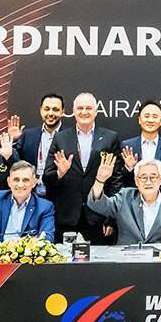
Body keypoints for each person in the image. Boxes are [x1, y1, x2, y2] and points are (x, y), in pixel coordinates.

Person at [43, 92, 123, 242]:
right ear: (73, 111)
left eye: (88, 108)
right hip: (67, 217)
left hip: (99, 217)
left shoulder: (110, 138)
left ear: (96, 111)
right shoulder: (60, 138)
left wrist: (111, 218)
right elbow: (47, 178)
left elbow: (116, 181)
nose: (84, 112)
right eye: (80, 108)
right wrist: (59, 173)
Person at [88, 156, 161, 244]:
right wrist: (100, 181)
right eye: (143, 178)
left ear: (160, 179)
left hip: (159, 258)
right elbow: (98, 205)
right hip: (127, 257)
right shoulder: (124, 197)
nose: (148, 182)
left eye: (153, 177)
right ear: (136, 181)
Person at [0, 161, 56, 242]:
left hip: (26, 253)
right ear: (9, 182)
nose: (20, 185)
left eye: (25, 180)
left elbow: (47, 237)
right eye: (16, 180)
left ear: (34, 182)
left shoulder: (44, 207)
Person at [120, 100, 161, 193]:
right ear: (139, 119)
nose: (150, 120)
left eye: (155, 117)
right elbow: (119, 180)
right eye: (147, 116)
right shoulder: (127, 146)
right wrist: (129, 168)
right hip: (132, 198)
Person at [14, 93, 64, 197]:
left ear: (62, 112)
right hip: (30, 194)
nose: (50, 113)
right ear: (41, 110)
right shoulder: (28, 135)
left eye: (55, 109)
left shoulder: (69, 136)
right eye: (47, 109)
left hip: (59, 195)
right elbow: (15, 163)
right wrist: (14, 140)